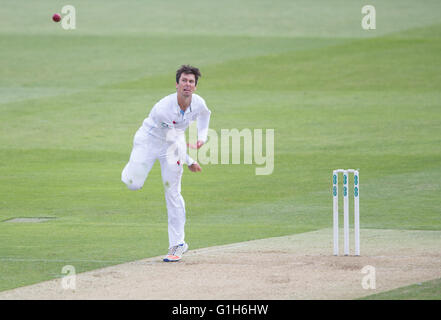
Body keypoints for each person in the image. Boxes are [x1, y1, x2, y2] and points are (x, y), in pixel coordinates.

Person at [121, 65, 211, 262]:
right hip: (149, 141)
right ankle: (131, 170)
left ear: (195, 87)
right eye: (184, 81)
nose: (187, 85)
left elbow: (205, 115)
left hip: (172, 144)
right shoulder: (163, 108)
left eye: (191, 82)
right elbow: (171, 138)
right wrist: (190, 160)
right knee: (133, 184)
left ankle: (178, 244)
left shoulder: (199, 103)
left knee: (173, 192)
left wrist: (202, 138)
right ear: (177, 84)